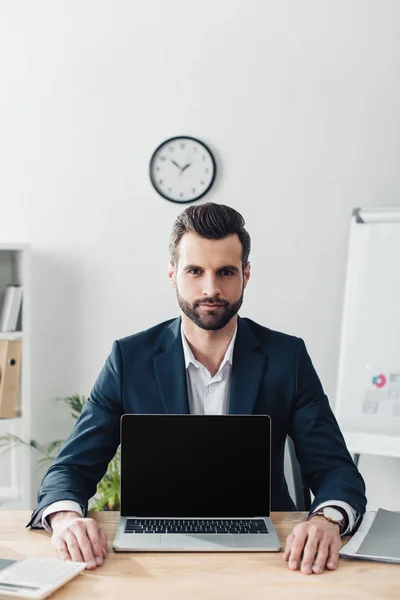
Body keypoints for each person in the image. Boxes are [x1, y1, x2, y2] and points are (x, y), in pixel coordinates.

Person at [28, 203, 366, 575]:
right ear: (173, 274)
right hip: (150, 551)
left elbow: (335, 468)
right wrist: (64, 519)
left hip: (271, 552)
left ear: (246, 274)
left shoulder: (288, 357)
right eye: (195, 271)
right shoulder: (129, 358)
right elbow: (71, 468)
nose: (211, 289)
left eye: (226, 272)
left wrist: (326, 520)